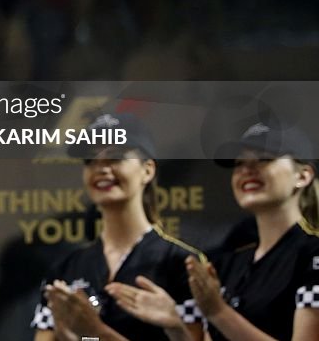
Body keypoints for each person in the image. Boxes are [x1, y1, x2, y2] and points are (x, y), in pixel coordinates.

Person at [118, 119, 319, 340]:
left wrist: (218, 312)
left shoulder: (312, 255)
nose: (247, 170)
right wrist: (174, 325)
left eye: (264, 159)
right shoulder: (228, 264)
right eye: (239, 163)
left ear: (303, 175)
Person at [31, 112, 205, 340]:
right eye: (91, 160)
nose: (101, 168)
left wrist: (95, 331)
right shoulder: (66, 270)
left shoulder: (181, 264)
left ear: (148, 170)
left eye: (115, 157)